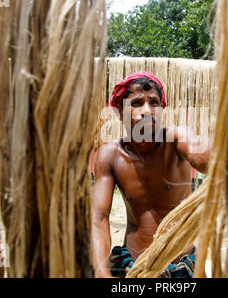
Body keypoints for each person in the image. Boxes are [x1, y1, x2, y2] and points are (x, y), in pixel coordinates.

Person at [91, 72, 212, 278]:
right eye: (137, 103)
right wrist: (102, 272)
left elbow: (201, 154)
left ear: (162, 109)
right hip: (132, 267)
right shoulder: (110, 155)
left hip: (182, 269)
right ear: (120, 113)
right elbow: (98, 219)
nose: (147, 110)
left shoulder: (175, 140)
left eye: (154, 103)